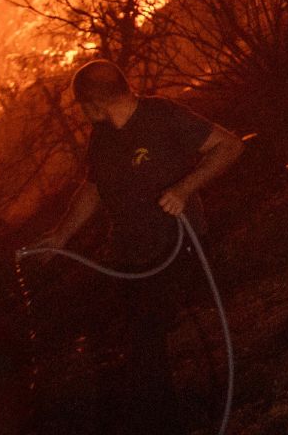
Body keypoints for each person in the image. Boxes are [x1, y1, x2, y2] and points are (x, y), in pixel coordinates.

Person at [29, 59, 243, 434]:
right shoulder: (103, 137)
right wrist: (62, 235)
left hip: (177, 249)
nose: (83, 114)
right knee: (136, 347)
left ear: (94, 104)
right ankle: (165, 418)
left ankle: (178, 419)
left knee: (145, 343)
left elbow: (229, 145)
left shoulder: (162, 116)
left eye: (82, 106)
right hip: (131, 258)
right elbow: (93, 189)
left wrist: (184, 189)